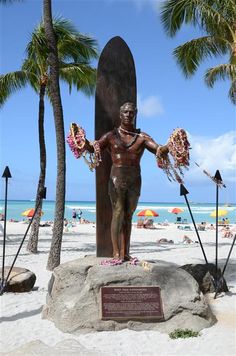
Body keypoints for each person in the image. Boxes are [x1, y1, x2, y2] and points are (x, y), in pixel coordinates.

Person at [84, 102, 169, 261]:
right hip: (117, 177)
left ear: (135, 114)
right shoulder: (111, 136)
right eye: (125, 112)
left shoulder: (142, 137)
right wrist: (82, 142)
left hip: (134, 178)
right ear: (120, 114)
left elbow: (158, 149)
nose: (128, 115)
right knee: (118, 212)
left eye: (131, 112)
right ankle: (116, 253)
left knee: (129, 215)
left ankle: (126, 252)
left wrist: (169, 146)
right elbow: (93, 147)